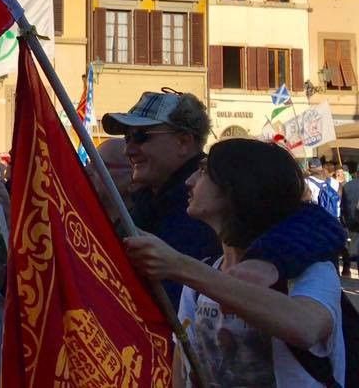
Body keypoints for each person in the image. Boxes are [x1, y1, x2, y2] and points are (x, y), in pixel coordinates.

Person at [126, 139, 345, 387]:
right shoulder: (201, 278)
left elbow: (305, 327)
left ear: (238, 186)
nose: (189, 181)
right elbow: (185, 368)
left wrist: (179, 266)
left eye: (204, 171)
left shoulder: (311, 272)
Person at [101, 91, 221, 306]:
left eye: (141, 136)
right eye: (127, 138)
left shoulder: (214, 199)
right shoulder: (148, 201)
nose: (129, 149)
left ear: (183, 142)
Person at [341, 172, 359, 278]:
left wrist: (345, 221)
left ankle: (346, 269)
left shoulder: (347, 186)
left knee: (349, 245)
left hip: (349, 221)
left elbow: (343, 206)